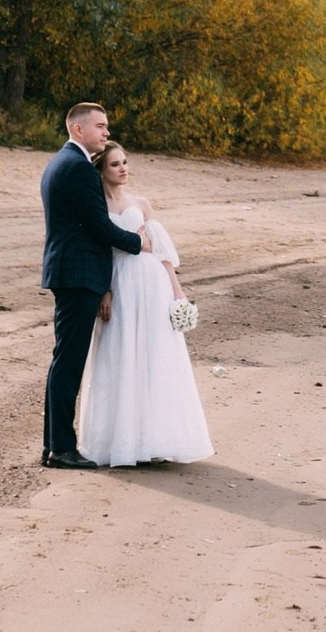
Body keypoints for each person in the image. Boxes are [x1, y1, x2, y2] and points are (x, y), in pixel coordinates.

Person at [76, 142, 213, 466]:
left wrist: (177, 292)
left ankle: (156, 438)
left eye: (124, 162)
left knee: (155, 355)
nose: (123, 169)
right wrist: (104, 292)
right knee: (120, 353)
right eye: (114, 164)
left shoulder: (141, 203)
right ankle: (121, 441)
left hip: (152, 284)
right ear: (101, 170)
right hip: (120, 283)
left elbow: (162, 253)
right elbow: (98, 254)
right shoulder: (95, 207)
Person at [39, 102, 148, 470]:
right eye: (100, 126)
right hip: (78, 274)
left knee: (64, 360)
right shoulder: (79, 169)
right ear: (78, 130)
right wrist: (138, 243)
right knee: (69, 362)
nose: (105, 132)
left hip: (70, 271)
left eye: (106, 126)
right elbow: (98, 227)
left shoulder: (59, 163)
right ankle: (62, 449)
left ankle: (53, 443)